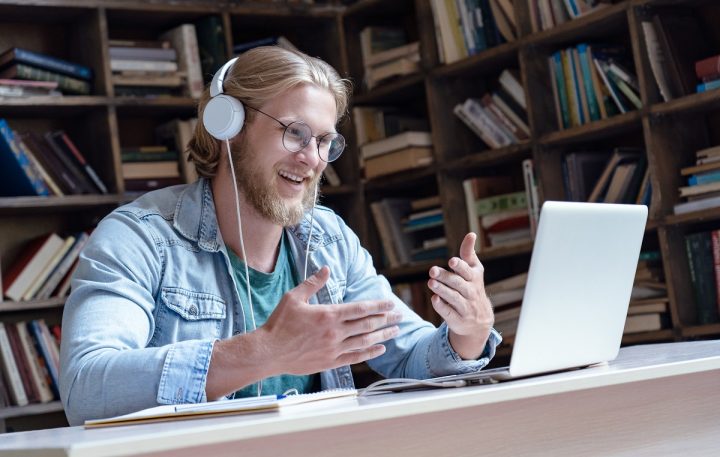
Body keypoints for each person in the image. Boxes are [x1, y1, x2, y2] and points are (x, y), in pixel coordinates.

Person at [59, 46, 500, 426]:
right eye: (295, 133)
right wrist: (264, 351)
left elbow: (407, 357)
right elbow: (88, 385)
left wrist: (468, 332)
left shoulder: (329, 239)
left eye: (325, 141)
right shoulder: (139, 238)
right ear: (227, 126)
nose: (312, 159)